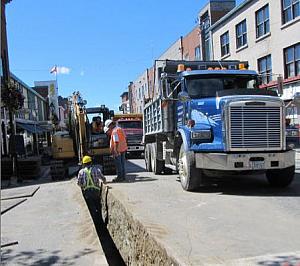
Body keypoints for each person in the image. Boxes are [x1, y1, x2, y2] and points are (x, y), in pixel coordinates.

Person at [77, 155, 106, 230]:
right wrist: (105, 181)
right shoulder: (96, 170)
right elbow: (103, 178)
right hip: (96, 192)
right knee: (98, 206)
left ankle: (94, 224)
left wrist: (84, 186)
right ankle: (100, 224)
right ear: (91, 162)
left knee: (91, 208)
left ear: (83, 164)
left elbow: (79, 183)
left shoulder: (81, 172)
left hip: (87, 193)